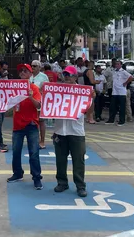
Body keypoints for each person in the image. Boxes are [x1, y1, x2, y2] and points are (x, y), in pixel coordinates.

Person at [53, 65, 88, 197]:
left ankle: (80, 185)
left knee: (78, 160)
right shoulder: (56, 90)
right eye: (65, 75)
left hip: (76, 131)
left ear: (75, 77)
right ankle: (62, 182)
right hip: (60, 130)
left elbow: (89, 110)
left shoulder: (82, 91)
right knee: (60, 160)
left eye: (70, 75)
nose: (67, 77)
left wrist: (92, 98)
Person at [7, 63, 43, 190]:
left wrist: (30, 96)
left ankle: (37, 178)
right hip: (17, 125)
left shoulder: (34, 88)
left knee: (34, 153)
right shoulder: (14, 88)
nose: (22, 73)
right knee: (16, 152)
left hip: (31, 124)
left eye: (25, 71)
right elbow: (4, 102)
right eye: (20, 71)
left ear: (30, 74)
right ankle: (17, 173)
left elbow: (38, 105)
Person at [106, 61, 133, 126]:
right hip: (115, 91)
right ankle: (111, 120)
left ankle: (122, 121)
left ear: (121, 65)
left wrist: (126, 83)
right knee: (113, 106)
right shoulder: (114, 71)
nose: (117, 65)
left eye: (118, 64)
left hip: (121, 92)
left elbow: (131, 77)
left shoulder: (123, 72)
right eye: (116, 64)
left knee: (122, 107)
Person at [30, 60, 49, 149]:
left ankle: (42, 141)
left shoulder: (44, 77)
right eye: (32, 66)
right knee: (32, 122)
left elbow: (48, 89)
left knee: (41, 121)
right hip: (30, 102)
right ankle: (34, 140)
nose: (32, 67)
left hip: (40, 101)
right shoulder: (28, 76)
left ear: (39, 67)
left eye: (34, 66)